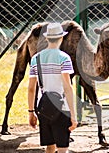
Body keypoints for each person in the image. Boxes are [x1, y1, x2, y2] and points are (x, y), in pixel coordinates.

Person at [28, 22, 78, 153]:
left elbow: (31, 88)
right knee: (62, 148)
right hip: (62, 107)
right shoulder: (64, 58)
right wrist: (73, 115)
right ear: (61, 38)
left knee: (49, 146)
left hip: (43, 107)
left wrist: (31, 112)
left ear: (47, 38)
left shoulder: (36, 59)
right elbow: (67, 87)